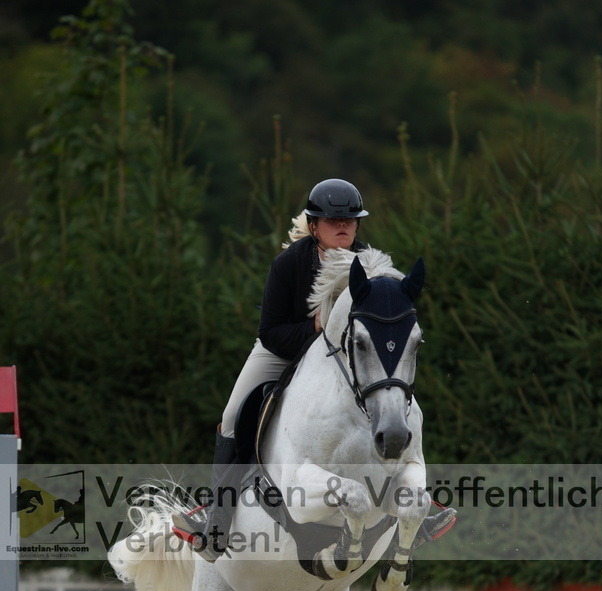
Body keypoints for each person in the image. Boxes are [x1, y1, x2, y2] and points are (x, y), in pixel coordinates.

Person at [172, 177, 454, 560]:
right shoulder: (289, 264)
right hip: (284, 348)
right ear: (313, 224)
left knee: (393, 403)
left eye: (350, 221)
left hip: (348, 357)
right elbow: (271, 332)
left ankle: (414, 512)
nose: (342, 227)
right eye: (331, 220)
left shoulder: (368, 263)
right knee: (232, 416)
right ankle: (217, 523)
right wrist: (317, 328)